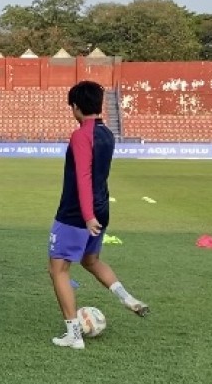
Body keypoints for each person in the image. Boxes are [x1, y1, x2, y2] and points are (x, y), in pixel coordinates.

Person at [49, 81, 149, 350]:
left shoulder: (82, 134)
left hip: (77, 212)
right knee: (90, 260)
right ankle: (127, 297)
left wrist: (87, 215)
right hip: (102, 207)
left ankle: (74, 334)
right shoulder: (107, 133)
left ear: (75, 107)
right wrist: (95, 214)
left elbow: (83, 176)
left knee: (58, 269)